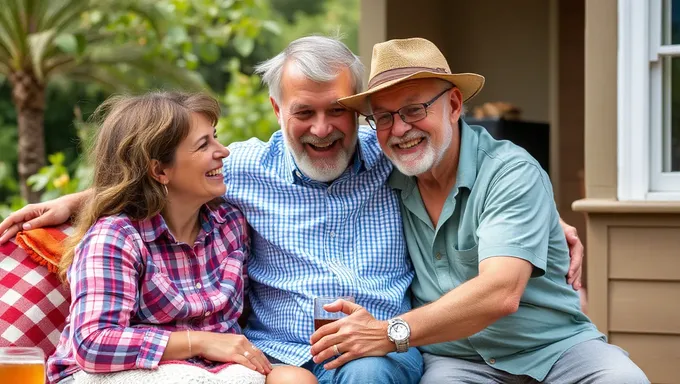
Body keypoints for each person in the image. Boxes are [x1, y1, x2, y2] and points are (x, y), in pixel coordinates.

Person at [0, 36, 584, 384]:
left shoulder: (390, 156)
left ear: (358, 111)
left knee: (368, 373)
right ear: (276, 106)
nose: (324, 129)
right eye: (305, 112)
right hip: (277, 356)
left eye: (339, 112)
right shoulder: (242, 170)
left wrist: (544, 224)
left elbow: (457, 171)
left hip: (378, 349)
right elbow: (156, 173)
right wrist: (75, 204)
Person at [308, 37, 650, 383]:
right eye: (383, 117)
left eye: (414, 110)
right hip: (456, 359)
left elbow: (500, 292)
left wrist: (387, 333)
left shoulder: (510, 171)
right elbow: (310, 143)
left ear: (454, 105)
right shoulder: (379, 167)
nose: (400, 129)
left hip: (556, 349)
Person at [45, 92, 315, 384]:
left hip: (209, 370)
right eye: (204, 144)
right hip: (110, 375)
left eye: (215, 137)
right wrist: (199, 342)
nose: (223, 151)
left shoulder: (230, 227)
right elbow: (93, 344)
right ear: (160, 170)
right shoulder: (116, 237)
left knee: (296, 380)